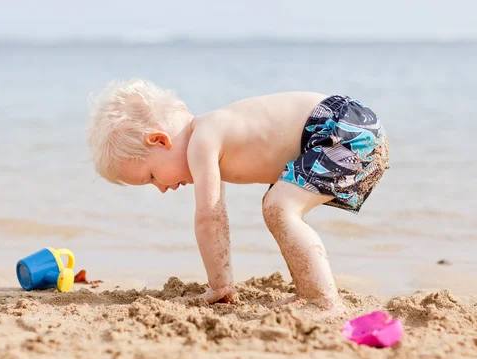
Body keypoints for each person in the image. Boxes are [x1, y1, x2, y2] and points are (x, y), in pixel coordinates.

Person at [87, 79, 390, 319]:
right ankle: (310, 291)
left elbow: (210, 216)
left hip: (338, 126)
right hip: (350, 123)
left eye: (151, 176)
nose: (161, 188)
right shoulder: (211, 133)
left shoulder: (203, 140)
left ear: (159, 140)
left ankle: (323, 300)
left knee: (278, 208)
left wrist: (220, 285)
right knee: (277, 204)